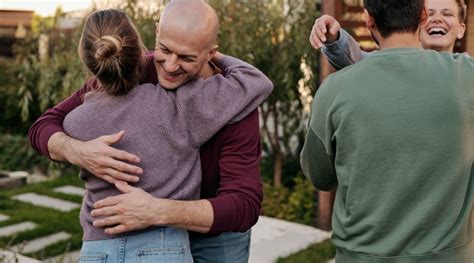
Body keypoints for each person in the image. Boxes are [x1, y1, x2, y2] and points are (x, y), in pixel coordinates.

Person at [28, 0, 267, 262]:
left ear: (210, 53)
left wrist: (157, 210)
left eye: (187, 57)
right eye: (165, 49)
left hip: (215, 236)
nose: (171, 66)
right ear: (156, 32)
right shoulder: (130, 68)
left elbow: (244, 205)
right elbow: (44, 126)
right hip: (140, 232)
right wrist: (79, 151)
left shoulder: (236, 99)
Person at [300, 0, 473, 262]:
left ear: (369, 20)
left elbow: (320, 176)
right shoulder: (468, 77)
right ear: (423, 15)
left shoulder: (334, 89)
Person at [310, 0, 468, 69]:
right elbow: (356, 58)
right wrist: (334, 38)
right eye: (431, 13)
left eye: (447, 14)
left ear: (461, 29)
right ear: (421, 18)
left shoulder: (467, 71)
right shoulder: (398, 63)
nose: (438, 19)